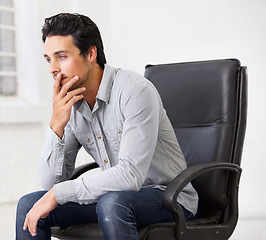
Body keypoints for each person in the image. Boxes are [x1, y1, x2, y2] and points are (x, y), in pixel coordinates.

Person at [16, 13, 198, 240]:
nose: (53, 68)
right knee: (28, 205)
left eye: (61, 57)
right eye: (48, 59)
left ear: (91, 53)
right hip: (112, 198)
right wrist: (56, 125)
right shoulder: (71, 105)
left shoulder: (135, 91)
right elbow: (50, 185)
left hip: (169, 197)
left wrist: (58, 194)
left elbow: (130, 175)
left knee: (113, 203)